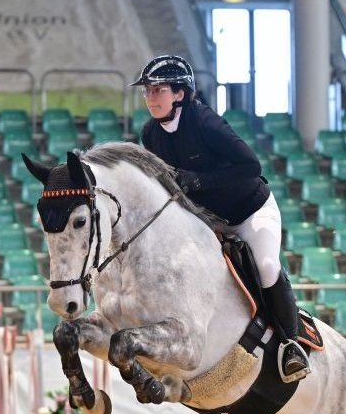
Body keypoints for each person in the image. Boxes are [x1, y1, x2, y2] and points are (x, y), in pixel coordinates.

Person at [131, 54, 310, 383]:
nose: (151, 98)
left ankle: (291, 344)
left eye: (158, 90)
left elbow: (251, 167)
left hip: (249, 211)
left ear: (180, 94)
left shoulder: (206, 123)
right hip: (205, 221)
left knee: (267, 266)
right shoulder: (150, 134)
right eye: (147, 92)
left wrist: (198, 179)